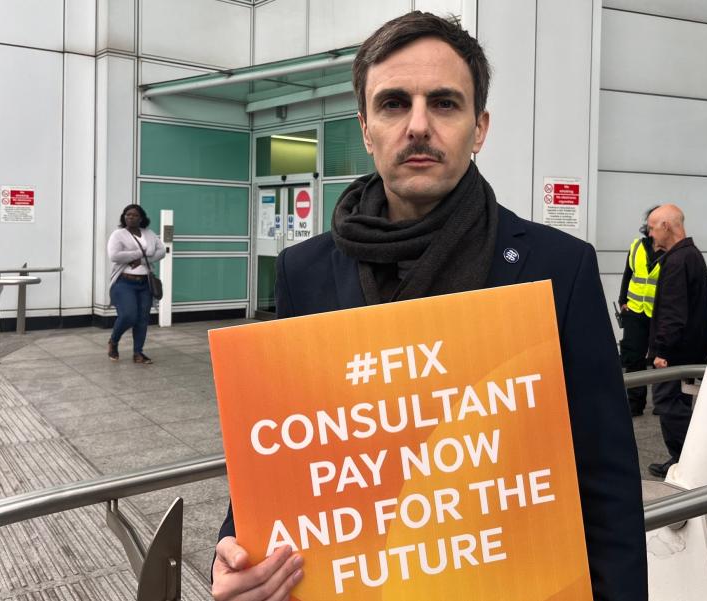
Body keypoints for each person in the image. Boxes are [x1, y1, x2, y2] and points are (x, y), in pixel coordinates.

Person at [211, 11, 647, 601]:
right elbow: (290, 450)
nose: (418, 125)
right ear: (366, 129)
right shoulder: (305, 270)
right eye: (394, 104)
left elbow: (606, 482)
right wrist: (242, 551)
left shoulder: (557, 267)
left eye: (444, 103)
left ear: (480, 126)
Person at [644, 204, 707, 478]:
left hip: (676, 353)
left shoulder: (677, 261)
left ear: (666, 226)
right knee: (680, 405)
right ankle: (685, 459)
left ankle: (683, 463)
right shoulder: (692, 256)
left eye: (651, 227)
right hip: (691, 348)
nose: (649, 234)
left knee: (669, 404)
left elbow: (673, 312)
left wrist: (662, 351)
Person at [106, 204, 165, 364]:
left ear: (141, 218)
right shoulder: (118, 235)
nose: (130, 217)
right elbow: (114, 255)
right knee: (128, 316)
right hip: (124, 282)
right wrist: (141, 253)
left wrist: (143, 259)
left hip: (145, 284)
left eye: (134, 215)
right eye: (127, 215)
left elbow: (161, 251)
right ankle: (114, 341)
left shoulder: (149, 233)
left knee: (142, 319)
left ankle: (138, 353)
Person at [617, 206, 662, 416]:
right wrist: (623, 301)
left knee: (660, 358)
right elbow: (628, 275)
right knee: (633, 358)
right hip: (635, 311)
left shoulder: (671, 249)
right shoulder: (637, 246)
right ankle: (635, 404)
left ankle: (662, 403)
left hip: (659, 314)